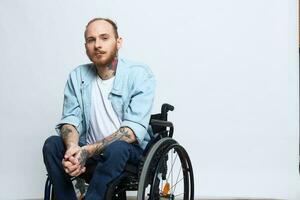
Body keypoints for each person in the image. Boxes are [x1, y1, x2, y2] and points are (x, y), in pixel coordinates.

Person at [42, 18, 155, 200]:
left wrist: (87, 151)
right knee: (51, 144)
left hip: (127, 155)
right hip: (91, 154)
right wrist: (73, 149)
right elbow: (70, 120)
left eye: (104, 38)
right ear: (86, 46)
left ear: (118, 42)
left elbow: (131, 133)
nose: (97, 45)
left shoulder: (139, 74)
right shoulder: (77, 76)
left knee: (118, 147)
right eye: (91, 40)